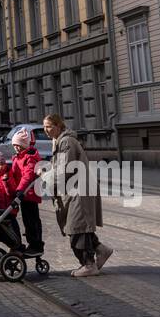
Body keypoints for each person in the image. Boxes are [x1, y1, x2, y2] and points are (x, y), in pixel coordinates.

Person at [41, 112, 113, 277]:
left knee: (76, 228)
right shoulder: (59, 141)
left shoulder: (66, 142)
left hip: (80, 190)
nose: (46, 130)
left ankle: (88, 264)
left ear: (58, 126)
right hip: (75, 189)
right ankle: (102, 250)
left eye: (49, 126)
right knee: (79, 227)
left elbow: (65, 169)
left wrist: (45, 176)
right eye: (44, 126)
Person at [6, 127, 45, 256]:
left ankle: (36, 245)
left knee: (32, 220)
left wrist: (19, 190)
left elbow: (27, 176)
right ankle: (31, 243)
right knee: (27, 220)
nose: (16, 148)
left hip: (30, 194)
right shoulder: (18, 157)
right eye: (14, 145)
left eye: (18, 145)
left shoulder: (30, 158)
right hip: (23, 194)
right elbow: (14, 174)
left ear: (24, 145)